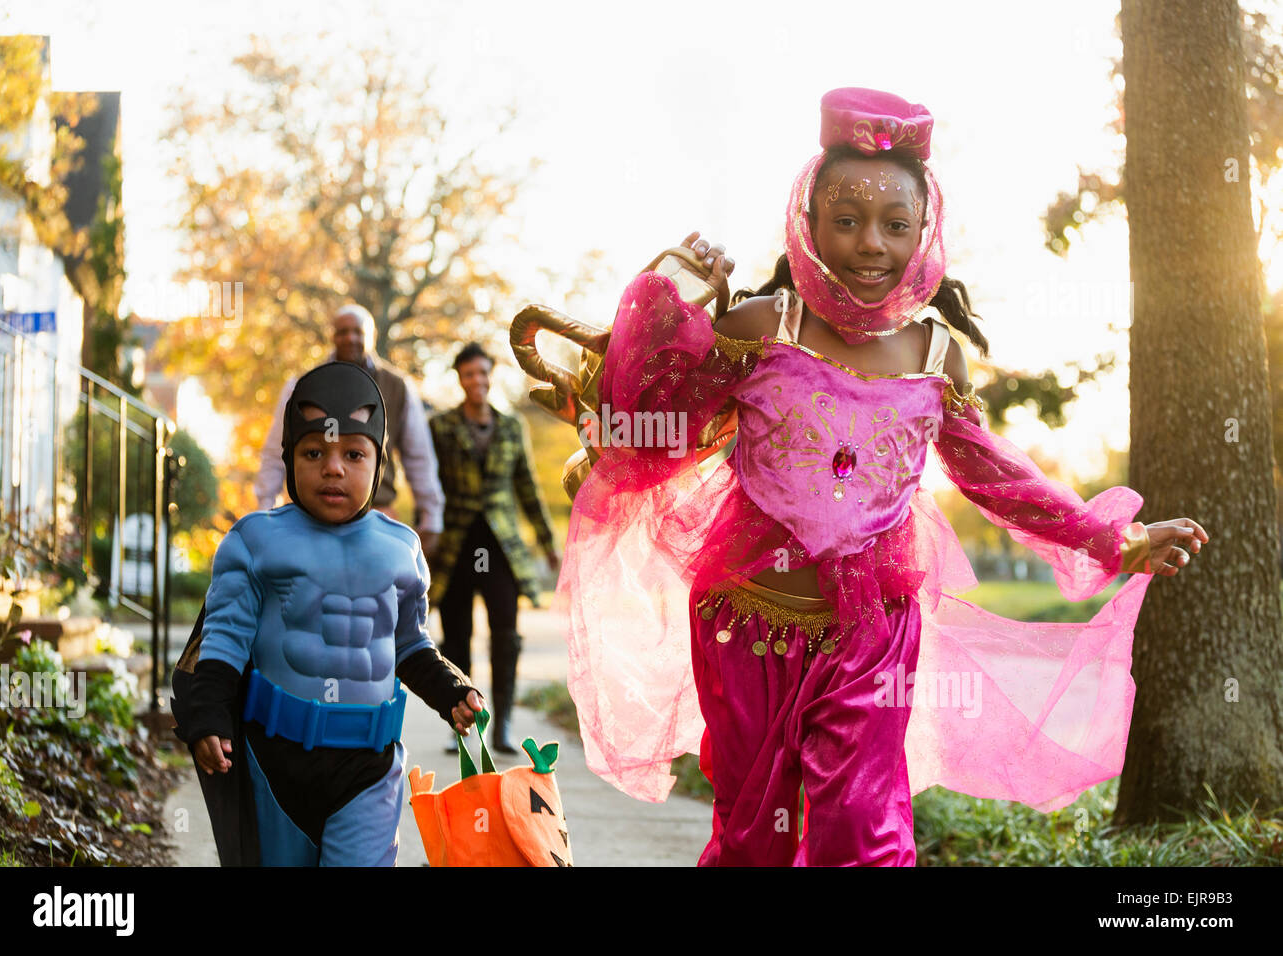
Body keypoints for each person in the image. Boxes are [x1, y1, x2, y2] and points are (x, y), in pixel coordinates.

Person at [553, 87, 1208, 866]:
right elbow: (645, 427)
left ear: (923, 231)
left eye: (895, 225)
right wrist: (669, 296)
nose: (871, 244)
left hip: (873, 635)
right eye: (848, 220)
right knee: (753, 835)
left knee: (864, 834)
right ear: (810, 223)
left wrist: (1115, 536)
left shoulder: (938, 359)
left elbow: (1003, 479)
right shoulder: (761, 330)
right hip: (743, 625)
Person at [183, 361, 483, 866]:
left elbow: (409, 645)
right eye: (314, 452)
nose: (333, 467)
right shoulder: (254, 541)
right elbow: (224, 640)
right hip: (274, 764)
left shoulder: (402, 550)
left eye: (354, 453)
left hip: (368, 768)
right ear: (289, 458)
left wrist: (451, 688)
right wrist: (207, 716)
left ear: (379, 464)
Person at [428, 343, 560, 754]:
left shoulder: (510, 425)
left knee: (506, 634)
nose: (477, 381)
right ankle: (462, 724)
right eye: (469, 374)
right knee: (456, 639)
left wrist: (546, 541)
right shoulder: (441, 428)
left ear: (491, 376)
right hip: (458, 545)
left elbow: (527, 486)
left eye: (483, 373)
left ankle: (501, 724)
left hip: (499, 548)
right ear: (459, 379)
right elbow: (427, 485)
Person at [255, 305, 445, 552]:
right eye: (342, 332)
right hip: (310, 520)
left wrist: (431, 514)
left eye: (358, 331)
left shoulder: (398, 387)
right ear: (333, 337)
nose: (350, 338)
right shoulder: (301, 385)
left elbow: (419, 457)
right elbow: (274, 453)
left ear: (372, 336)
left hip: (375, 518)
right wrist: (265, 509)